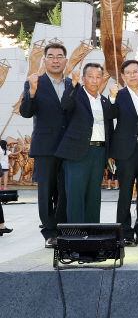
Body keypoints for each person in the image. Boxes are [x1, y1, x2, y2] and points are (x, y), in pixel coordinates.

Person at [19, 43, 72, 247]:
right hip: (45, 147)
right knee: (46, 192)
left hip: (68, 148)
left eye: (60, 56)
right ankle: (49, 232)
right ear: (45, 60)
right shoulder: (35, 83)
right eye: (51, 56)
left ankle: (62, 228)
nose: (56, 60)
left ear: (65, 60)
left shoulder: (72, 84)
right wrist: (31, 93)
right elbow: (25, 112)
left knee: (64, 190)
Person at [55, 63, 116, 223]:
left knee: (94, 196)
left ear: (103, 79)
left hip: (99, 153)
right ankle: (76, 235)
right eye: (90, 77)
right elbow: (65, 105)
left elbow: (109, 129)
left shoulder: (104, 101)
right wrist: (73, 84)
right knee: (75, 196)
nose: (94, 81)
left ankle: (92, 233)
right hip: (77, 154)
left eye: (98, 77)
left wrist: (109, 156)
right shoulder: (76, 96)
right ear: (83, 78)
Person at [108, 60, 138, 246]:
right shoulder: (118, 95)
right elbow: (110, 115)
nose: (133, 75)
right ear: (123, 76)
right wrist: (111, 98)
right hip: (126, 152)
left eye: (136, 72)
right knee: (125, 194)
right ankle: (125, 233)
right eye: (128, 72)